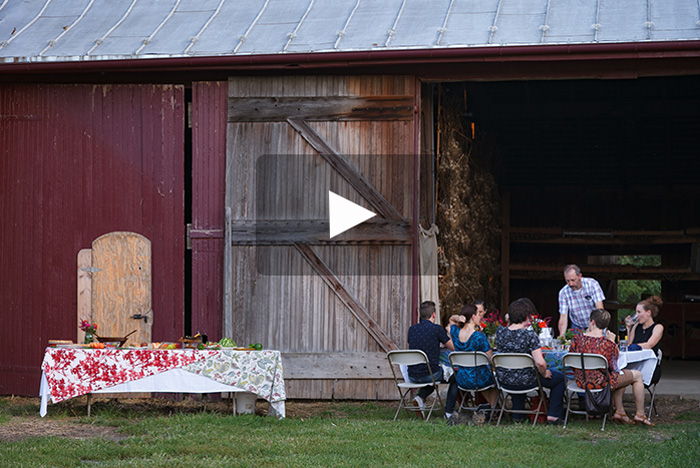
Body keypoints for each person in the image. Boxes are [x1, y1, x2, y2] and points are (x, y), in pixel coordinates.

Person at [570, 309, 653, 426]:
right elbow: (614, 366)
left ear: (592, 322)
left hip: (581, 382)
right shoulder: (608, 344)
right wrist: (612, 342)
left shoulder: (577, 340)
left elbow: (572, 364)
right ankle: (640, 414)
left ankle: (620, 412)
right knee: (637, 375)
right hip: (602, 383)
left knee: (617, 377)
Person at [495, 298, 566, 425]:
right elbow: (540, 363)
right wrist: (544, 373)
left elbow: (508, 321)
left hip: (505, 379)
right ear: (527, 317)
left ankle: (518, 415)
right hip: (526, 380)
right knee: (560, 378)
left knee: (516, 371)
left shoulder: (500, 332)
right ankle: (553, 416)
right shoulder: (529, 336)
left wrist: (512, 315)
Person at [444, 304, 498, 419]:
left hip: (462, 379)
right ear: (473, 316)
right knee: (495, 380)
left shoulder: (454, 332)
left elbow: (451, 320)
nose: (481, 317)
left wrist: (458, 318)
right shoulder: (479, 337)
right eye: (479, 314)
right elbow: (491, 358)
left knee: (481, 377)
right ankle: (493, 409)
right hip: (479, 379)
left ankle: (490, 409)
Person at [407, 301, 455, 417]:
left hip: (412, 375)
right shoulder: (437, 329)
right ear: (434, 315)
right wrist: (450, 332)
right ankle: (448, 412)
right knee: (456, 378)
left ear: (420, 315)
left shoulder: (412, 329)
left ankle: (420, 397)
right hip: (430, 374)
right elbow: (454, 348)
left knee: (431, 373)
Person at [558, 264, 605, 338]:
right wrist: (561, 337)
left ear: (580, 276)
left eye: (573, 280)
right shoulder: (563, 293)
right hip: (577, 326)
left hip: (595, 324)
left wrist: (597, 330)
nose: (570, 284)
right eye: (567, 281)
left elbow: (600, 310)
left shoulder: (592, 284)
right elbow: (563, 318)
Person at [626, 295, 664, 383]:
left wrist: (633, 347)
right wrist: (628, 328)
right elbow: (628, 344)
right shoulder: (636, 326)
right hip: (634, 361)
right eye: (636, 312)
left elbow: (649, 344)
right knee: (621, 375)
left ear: (648, 313)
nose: (636, 315)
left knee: (637, 379)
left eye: (639, 312)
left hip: (650, 364)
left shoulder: (658, 327)